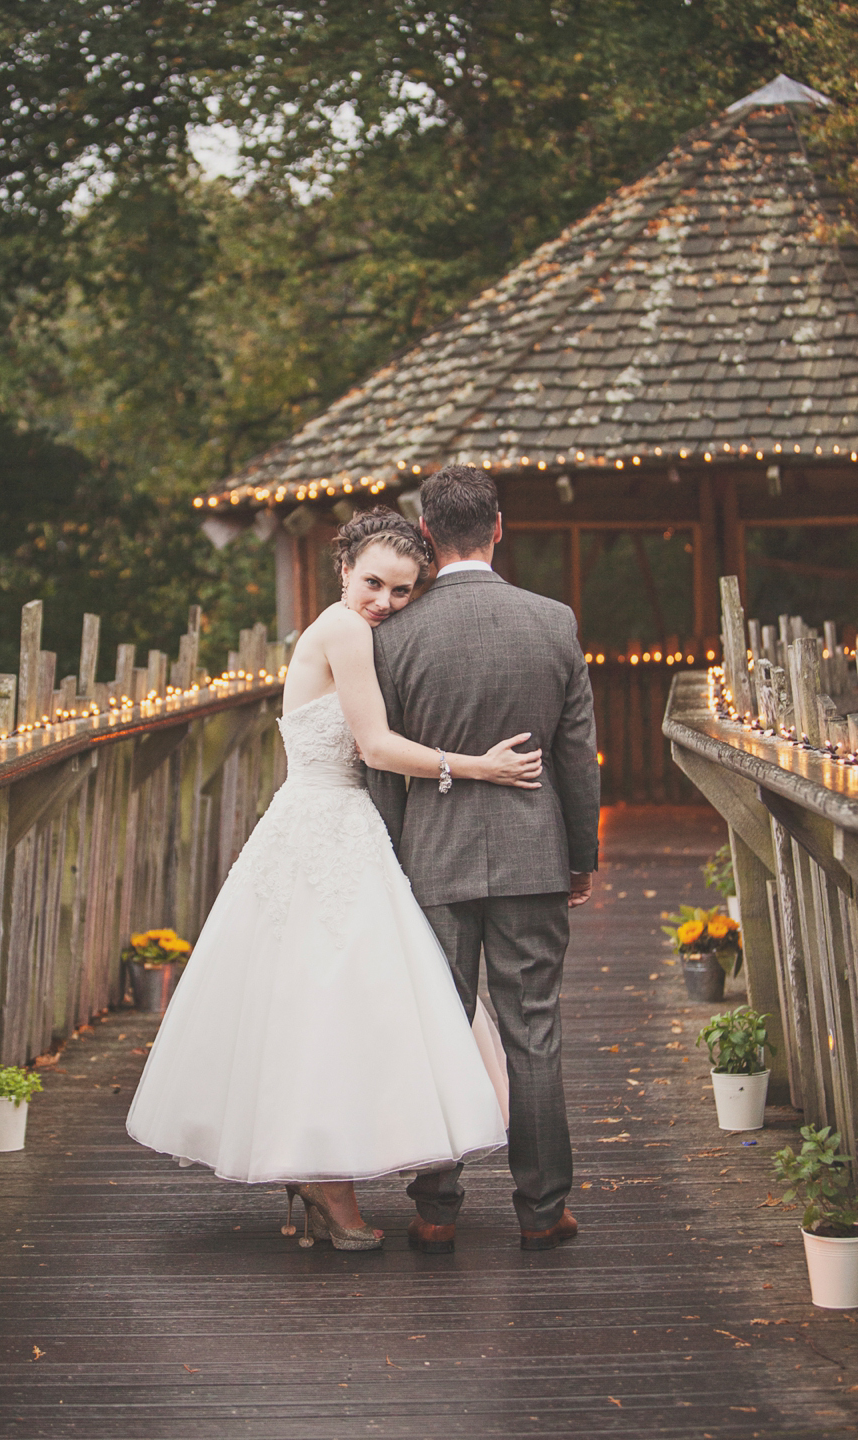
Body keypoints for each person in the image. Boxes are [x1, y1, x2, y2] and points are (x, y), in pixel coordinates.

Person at [126, 508, 542, 1251]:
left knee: (319, 1001)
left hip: (323, 820)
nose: (383, 601)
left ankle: (321, 1176)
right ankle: (325, 1181)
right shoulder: (348, 632)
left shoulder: (338, 627)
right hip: (331, 823)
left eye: (403, 591)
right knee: (333, 1001)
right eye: (373, 582)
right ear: (343, 568)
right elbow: (377, 747)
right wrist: (482, 767)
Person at [367, 465, 600, 1254]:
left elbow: (383, 767)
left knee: (438, 1028)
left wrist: (388, 863)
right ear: (499, 527)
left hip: (430, 861)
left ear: (426, 534)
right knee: (534, 1028)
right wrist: (581, 854)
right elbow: (577, 753)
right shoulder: (553, 621)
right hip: (536, 854)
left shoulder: (394, 636)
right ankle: (543, 1211)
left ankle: (436, 1207)